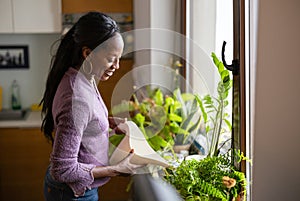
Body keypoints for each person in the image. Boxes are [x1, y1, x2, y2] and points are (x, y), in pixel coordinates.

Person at [40, 11, 142, 201]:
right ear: (87, 53)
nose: (117, 66)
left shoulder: (82, 78)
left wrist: (106, 122)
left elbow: (82, 122)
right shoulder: (76, 99)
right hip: (72, 193)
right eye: (112, 58)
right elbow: (62, 169)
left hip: (76, 190)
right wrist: (116, 169)